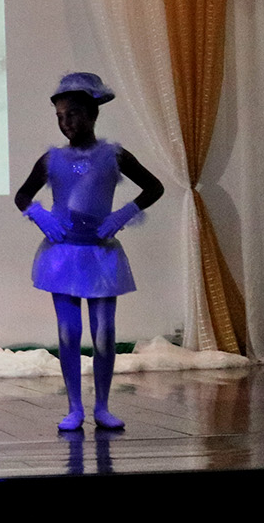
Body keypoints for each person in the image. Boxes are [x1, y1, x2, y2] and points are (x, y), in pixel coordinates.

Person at [13, 73, 164, 432]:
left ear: (93, 113)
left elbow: (153, 187)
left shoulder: (113, 155)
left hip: (100, 255)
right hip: (63, 255)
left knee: (104, 333)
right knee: (68, 332)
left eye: (74, 114)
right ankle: (74, 407)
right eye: (60, 116)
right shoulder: (51, 159)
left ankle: (103, 406)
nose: (66, 122)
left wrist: (123, 214)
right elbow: (23, 195)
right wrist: (40, 216)